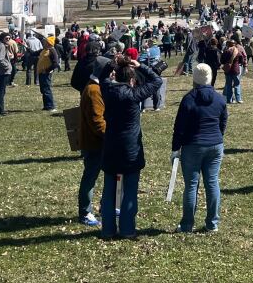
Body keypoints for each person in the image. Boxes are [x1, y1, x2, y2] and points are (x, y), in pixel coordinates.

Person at [99, 54, 163, 239]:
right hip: (130, 147)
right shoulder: (134, 95)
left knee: (109, 190)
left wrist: (112, 63)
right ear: (132, 80)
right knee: (130, 189)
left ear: (116, 76)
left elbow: (102, 76)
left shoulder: (108, 90)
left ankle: (108, 229)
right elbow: (156, 81)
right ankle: (127, 229)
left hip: (111, 144)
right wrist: (140, 65)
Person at [172, 62, 227, 234]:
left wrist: (175, 148)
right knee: (212, 183)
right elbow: (223, 122)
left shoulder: (189, 99)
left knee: (191, 185)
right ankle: (212, 223)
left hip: (193, 146)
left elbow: (179, 127)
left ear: (194, 79)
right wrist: (218, 137)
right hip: (215, 144)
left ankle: (187, 224)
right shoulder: (220, 99)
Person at [74, 45, 107, 227]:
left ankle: (104, 205)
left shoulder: (95, 87)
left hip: (97, 141)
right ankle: (85, 212)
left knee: (99, 174)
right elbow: (97, 121)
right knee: (90, 176)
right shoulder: (94, 91)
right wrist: (109, 136)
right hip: (94, 142)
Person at [37, 36, 61, 112]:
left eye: (45, 42)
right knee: (43, 90)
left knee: (46, 89)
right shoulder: (44, 50)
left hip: (46, 73)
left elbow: (56, 63)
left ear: (49, 43)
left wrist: (47, 70)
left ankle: (51, 106)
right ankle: (46, 106)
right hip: (41, 73)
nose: (43, 43)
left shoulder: (52, 51)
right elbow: (33, 53)